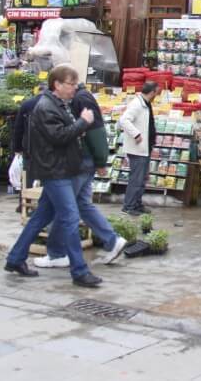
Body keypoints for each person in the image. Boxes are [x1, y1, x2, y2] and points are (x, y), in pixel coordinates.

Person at [3, 65, 104, 287]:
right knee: (69, 216)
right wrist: (83, 122)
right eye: (71, 84)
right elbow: (59, 136)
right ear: (57, 84)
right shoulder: (47, 106)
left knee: (41, 216)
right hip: (54, 170)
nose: (74, 88)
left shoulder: (59, 104)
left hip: (60, 168)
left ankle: (15, 258)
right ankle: (79, 271)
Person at [32, 84, 127, 269]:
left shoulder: (80, 99)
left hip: (80, 161)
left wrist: (100, 160)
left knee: (63, 209)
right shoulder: (80, 98)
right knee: (82, 204)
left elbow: (94, 131)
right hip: (86, 161)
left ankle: (57, 254)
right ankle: (112, 240)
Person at [117, 82, 160, 216]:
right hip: (138, 149)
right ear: (152, 92)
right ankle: (129, 206)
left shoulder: (145, 103)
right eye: (157, 93)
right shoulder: (137, 104)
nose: (157, 95)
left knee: (141, 179)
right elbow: (124, 120)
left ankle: (137, 204)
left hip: (145, 148)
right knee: (136, 178)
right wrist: (136, 134)